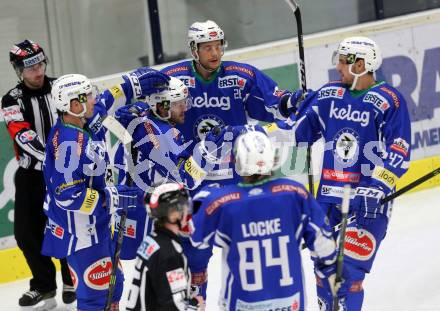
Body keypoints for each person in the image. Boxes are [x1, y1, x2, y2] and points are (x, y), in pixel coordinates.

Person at [220, 36, 411, 310]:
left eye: (344, 62)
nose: (338, 67)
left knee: (348, 273)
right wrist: (250, 130)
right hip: (327, 200)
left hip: (366, 202)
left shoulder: (389, 101)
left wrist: (378, 186)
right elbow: (295, 133)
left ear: (361, 64)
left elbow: (399, 148)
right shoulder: (329, 93)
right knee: (323, 268)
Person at [41, 67, 169, 310]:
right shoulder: (68, 144)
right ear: (72, 104)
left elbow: (106, 102)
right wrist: (112, 196)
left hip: (96, 225)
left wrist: (130, 85)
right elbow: (67, 196)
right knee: (97, 296)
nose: (93, 100)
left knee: (114, 286)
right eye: (86, 97)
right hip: (81, 234)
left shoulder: (83, 121)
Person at [188, 131, 340, 310]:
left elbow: (195, 241)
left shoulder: (219, 200)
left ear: (238, 161)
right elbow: (326, 249)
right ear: (272, 159)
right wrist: (329, 267)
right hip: (290, 303)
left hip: (241, 303)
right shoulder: (295, 193)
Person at [161, 20, 291, 187]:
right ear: (194, 50)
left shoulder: (241, 76)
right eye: (208, 48)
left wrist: (290, 101)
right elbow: (154, 116)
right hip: (191, 173)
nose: (215, 53)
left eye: (218, 46)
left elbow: (274, 103)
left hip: (235, 172)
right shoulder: (172, 79)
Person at [0, 39, 75, 309]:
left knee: (67, 226)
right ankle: (43, 285)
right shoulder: (11, 99)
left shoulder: (61, 88)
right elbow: (21, 133)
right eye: (31, 68)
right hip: (31, 176)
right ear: (19, 70)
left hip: (65, 174)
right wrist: (50, 157)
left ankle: (71, 279)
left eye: (41, 64)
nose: (38, 71)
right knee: (25, 233)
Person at [113, 76, 215, 260]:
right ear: (162, 106)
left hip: (133, 206)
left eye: (184, 101)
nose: (185, 108)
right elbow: (187, 178)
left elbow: (122, 113)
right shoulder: (159, 133)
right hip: (142, 215)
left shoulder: (149, 118)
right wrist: (208, 153)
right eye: (178, 104)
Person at [126, 182, 205, 311]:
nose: (188, 212)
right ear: (173, 213)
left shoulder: (152, 240)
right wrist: (196, 305)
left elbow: (157, 283)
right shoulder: (169, 254)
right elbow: (174, 308)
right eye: (185, 207)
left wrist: (180, 288)